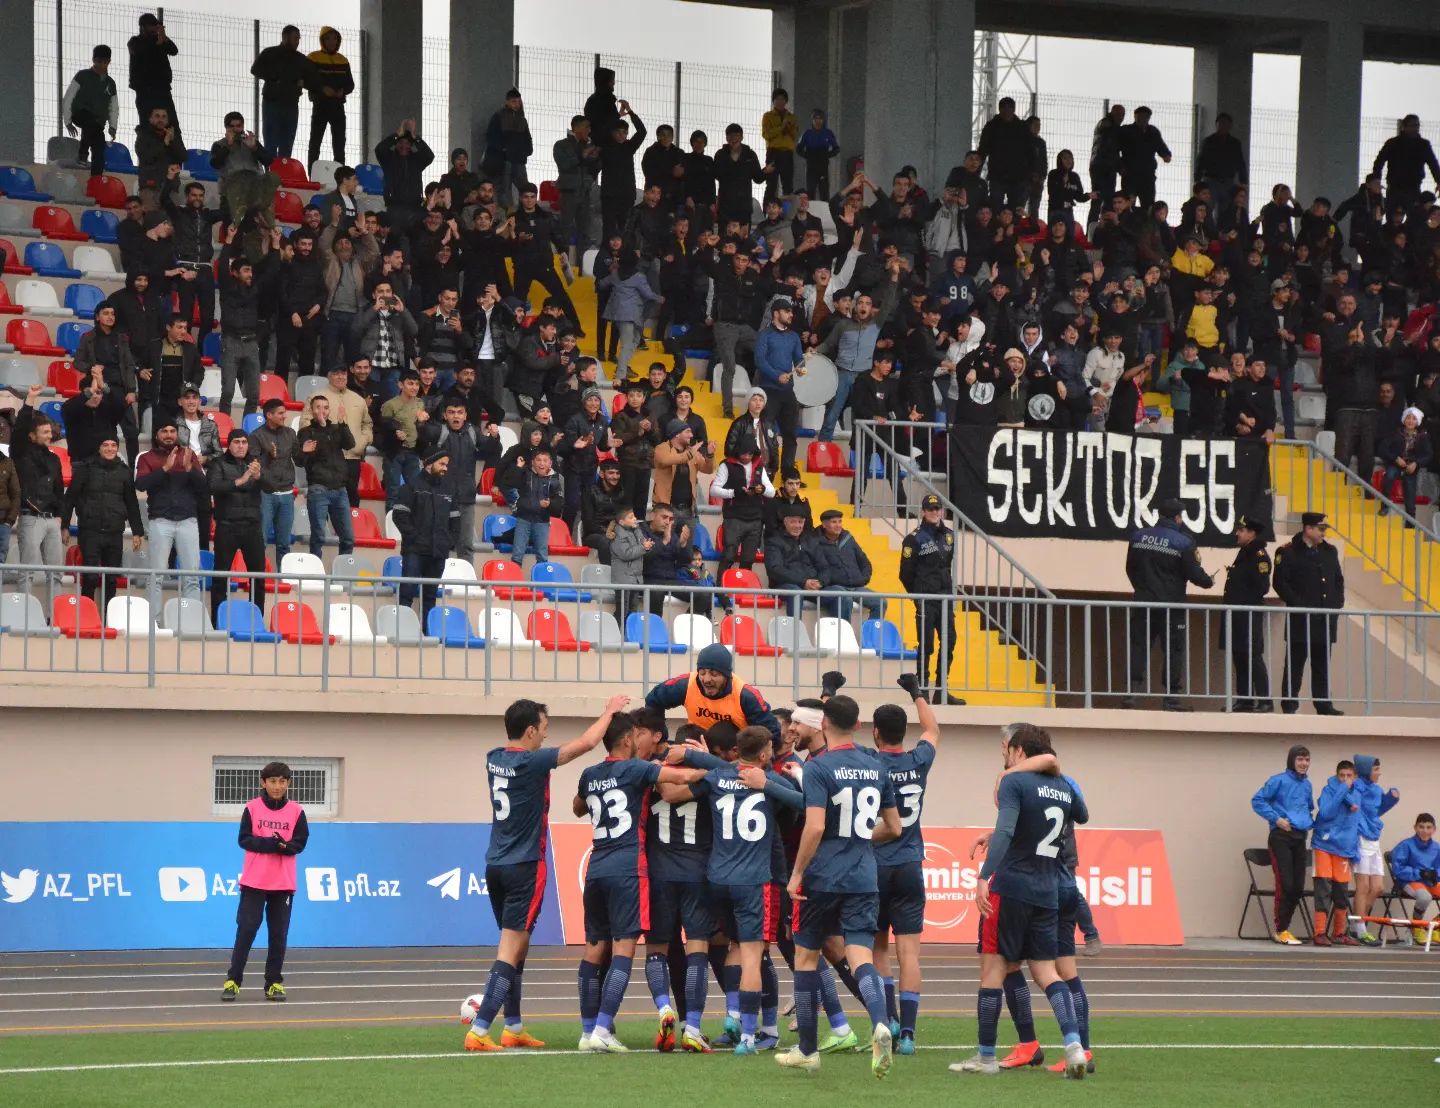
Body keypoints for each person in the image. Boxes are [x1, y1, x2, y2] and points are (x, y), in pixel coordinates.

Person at [462, 695, 632, 1051]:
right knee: (510, 949)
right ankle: (479, 1029)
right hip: (525, 866)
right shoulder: (532, 761)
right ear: (529, 731)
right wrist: (609, 712)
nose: (545, 735)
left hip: (495, 863)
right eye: (543, 729)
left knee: (517, 947)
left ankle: (513, 1026)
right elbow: (586, 744)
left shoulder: (493, 757)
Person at [952, 723, 1089, 1079]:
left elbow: (1008, 830)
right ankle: (1074, 1047)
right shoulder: (1062, 785)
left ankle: (985, 1057)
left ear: (1019, 751)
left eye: (1007, 749)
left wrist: (983, 876)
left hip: (1012, 887)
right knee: (1047, 973)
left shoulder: (1013, 781)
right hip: (1047, 890)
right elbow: (1082, 814)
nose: (1004, 755)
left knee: (993, 970)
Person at [657, 724, 802, 1054]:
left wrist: (686, 759)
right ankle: (749, 1036)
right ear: (764, 755)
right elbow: (807, 804)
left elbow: (674, 794)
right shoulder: (768, 781)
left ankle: (731, 1018)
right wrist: (770, 784)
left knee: (732, 947)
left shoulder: (717, 777)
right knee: (753, 955)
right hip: (754, 881)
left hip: (717, 879)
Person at [777, 694, 900, 1077]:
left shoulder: (819, 767)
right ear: (859, 726)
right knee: (861, 956)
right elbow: (895, 827)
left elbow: (814, 827)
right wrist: (859, 838)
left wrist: (797, 873)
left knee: (806, 957)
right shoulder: (876, 765)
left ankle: (808, 1050)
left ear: (824, 723)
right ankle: (881, 1022)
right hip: (863, 874)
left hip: (823, 876)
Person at [573, 712, 705, 1053]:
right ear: (628, 740)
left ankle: (587, 1031)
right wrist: (712, 768)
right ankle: (603, 1028)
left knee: (593, 950)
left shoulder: (589, 774)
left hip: (596, 867)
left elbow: (577, 808)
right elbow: (681, 777)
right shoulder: (637, 769)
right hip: (628, 868)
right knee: (624, 951)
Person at [869, 674, 939, 1055]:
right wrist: (917, 693)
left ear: (876, 733)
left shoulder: (870, 764)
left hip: (876, 865)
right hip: (911, 864)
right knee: (909, 953)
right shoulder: (918, 760)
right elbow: (933, 729)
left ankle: (891, 1020)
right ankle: (909, 1034)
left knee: (878, 949)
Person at [220, 762, 308, 1003]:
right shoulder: (252, 808)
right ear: (263, 782)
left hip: (283, 884)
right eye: (273, 781)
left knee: (278, 935)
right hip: (254, 882)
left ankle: (274, 983)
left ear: (288, 783)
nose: (277, 786)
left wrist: (285, 846)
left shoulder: (297, 811)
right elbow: (244, 840)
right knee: (246, 930)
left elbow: (300, 843)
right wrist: (270, 843)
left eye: (282, 781)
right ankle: (233, 981)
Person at [1121, 497, 1215, 711]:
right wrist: (1209, 581)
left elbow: (1130, 568)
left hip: (1143, 603)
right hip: (1172, 608)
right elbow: (1194, 573)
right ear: (1178, 518)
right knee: (1173, 650)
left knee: (1138, 646)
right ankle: (1171, 698)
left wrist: (1142, 589)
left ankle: (1131, 693)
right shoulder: (1183, 542)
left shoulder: (1138, 536)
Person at [1272, 512, 1345, 716]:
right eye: (1320, 529)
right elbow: (1280, 583)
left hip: (1324, 619)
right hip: (1301, 620)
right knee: (1295, 664)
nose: (1323, 533)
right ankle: (1289, 704)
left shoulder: (1329, 551)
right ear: (1308, 528)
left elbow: (1337, 580)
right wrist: (1298, 604)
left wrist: (1336, 603)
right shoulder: (1288, 551)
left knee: (1322, 665)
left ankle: (1323, 704)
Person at [62, 433, 144, 610]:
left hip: (115, 532)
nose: (109, 449)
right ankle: (86, 616)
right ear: (99, 448)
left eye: (113, 445)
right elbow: (70, 498)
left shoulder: (125, 472)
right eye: (105, 445)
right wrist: (65, 526)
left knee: (111, 579)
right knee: (90, 577)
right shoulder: (85, 469)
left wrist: (137, 532)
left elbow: (132, 503)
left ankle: (108, 619)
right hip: (90, 531)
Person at [899, 494, 965, 706]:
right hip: (926, 599)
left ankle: (941, 690)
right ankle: (923, 689)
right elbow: (905, 574)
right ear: (923, 512)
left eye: (937, 509)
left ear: (942, 511)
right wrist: (918, 595)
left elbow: (946, 566)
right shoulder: (914, 538)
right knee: (926, 644)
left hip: (945, 598)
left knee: (949, 641)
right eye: (930, 509)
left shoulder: (949, 535)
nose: (934, 512)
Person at [133, 420, 208, 606]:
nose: (169, 435)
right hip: (160, 521)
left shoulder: (189, 455)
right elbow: (140, 484)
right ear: (156, 435)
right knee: (155, 576)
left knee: (192, 577)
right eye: (164, 431)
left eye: (172, 431)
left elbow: (204, 487)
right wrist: (165, 469)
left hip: (188, 520)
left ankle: (191, 620)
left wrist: (189, 469)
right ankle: (153, 621)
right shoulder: (147, 457)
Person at [644, 642, 781, 741]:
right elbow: (653, 700)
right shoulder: (686, 684)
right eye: (702, 672)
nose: (707, 679)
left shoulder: (746, 696)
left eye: (714, 674)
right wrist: (661, 737)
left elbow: (772, 733)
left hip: (733, 753)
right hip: (696, 745)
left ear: (727, 675)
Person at [1251, 744, 1315, 946]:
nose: (1303, 763)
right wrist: (1277, 819)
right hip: (1281, 837)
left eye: (1307, 759)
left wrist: (1307, 822)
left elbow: (1308, 808)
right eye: (1300, 759)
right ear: (1292, 760)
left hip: (1299, 837)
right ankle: (1280, 930)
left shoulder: (1307, 785)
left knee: (1298, 886)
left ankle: (1284, 929)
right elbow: (1258, 800)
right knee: (1285, 884)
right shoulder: (1278, 780)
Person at [391, 450, 457, 621]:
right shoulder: (411, 486)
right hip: (415, 551)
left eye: (446, 465)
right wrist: (414, 537)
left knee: (430, 596)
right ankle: (402, 629)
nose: (445, 468)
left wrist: (449, 541)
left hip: (438, 552)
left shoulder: (448, 489)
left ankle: (427, 631)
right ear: (429, 464)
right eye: (442, 464)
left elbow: (455, 519)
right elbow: (399, 515)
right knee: (407, 593)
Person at [208, 429, 266, 621]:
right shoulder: (218, 463)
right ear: (229, 444)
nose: (241, 446)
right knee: (220, 577)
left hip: (252, 527)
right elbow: (212, 486)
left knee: (258, 578)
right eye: (236, 442)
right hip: (227, 526)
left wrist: (259, 477)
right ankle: (218, 622)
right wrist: (240, 481)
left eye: (244, 442)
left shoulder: (256, 464)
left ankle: (257, 621)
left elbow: (273, 486)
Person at [1222, 514, 1273, 713]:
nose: (1237, 533)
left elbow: (1262, 586)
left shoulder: (1258, 555)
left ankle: (1265, 699)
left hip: (1248, 614)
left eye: (1241, 530)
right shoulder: (1245, 552)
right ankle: (1245, 699)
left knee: (1253, 656)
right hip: (1237, 615)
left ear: (1251, 533)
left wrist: (1242, 601)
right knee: (1240, 656)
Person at [295, 394, 355, 557]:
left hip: (340, 489)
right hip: (318, 488)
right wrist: (321, 428)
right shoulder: (306, 432)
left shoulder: (336, 428)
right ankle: (316, 569)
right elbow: (299, 460)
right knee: (318, 536)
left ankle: (343, 568)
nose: (322, 411)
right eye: (318, 407)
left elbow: (350, 444)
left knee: (348, 538)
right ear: (311, 410)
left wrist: (343, 424)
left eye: (326, 407)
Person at [1311, 760, 1362, 947]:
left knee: (1341, 891)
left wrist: (1354, 851)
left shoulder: (1357, 795)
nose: (1345, 779)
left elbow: (1356, 823)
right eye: (1342, 775)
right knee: (1323, 888)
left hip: (1344, 849)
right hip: (1324, 845)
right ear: (1336, 775)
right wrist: (1342, 790)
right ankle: (1319, 933)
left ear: (1355, 777)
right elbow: (1326, 813)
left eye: (1349, 776)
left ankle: (1339, 933)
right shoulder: (1328, 790)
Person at [754, 297, 804, 476]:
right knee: (767, 433)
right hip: (768, 391)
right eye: (787, 311)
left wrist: (801, 367)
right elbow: (760, 361)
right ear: (776, 313)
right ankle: (768, 472)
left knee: (790, 434)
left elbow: (799, 359)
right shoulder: (764, 335)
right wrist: (777, 375)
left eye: (791, 312)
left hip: (787, 391)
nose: (791, 315)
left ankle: (788, 475)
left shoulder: (794, 336)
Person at [710, 441, 774, 580]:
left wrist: (761, 489)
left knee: (748, 560)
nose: (746, 457)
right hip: (734, 518)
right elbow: (714, 490)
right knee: (728, 556)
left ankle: (743, 587)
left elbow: (771, 492)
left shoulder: (759, 466)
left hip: (755, 519)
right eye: (743, 454)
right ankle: (721, 587)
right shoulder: (726, 465)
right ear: (737, 452)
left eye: (750, 454)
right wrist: (734, 493)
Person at [248, 399, 298, 567]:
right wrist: (269, 456)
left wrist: (307, 452)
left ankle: (282, 578)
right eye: (280, 413)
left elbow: (299, 459)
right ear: (269, 415)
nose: (285, 416)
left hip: (287, 494)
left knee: (284, 543)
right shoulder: (256, 436)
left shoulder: (290, 433)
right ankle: (258, 577)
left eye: (284, 412)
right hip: (265, 494)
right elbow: (253, 465)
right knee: (260, 542)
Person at [250, 25, 308, 159]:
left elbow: (310, 77)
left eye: (298, 39)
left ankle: (284, 170)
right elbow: (255, 69)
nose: (297, 42)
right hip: (272, 102)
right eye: (295, 38)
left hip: (291, 104)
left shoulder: (301, 59)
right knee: (270, 142)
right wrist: (275, 77)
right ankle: (271, 170)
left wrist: (302, 82)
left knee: (287, 143)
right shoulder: (270, 53)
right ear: (285, 37)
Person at [211, 112, 277, 227]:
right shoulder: (219, 145)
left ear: (242, 126)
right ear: (226, 127)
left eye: (239, 126)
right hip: (231, 195)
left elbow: (268, 160)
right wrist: (228, 145)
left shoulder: (251, 142)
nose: (236, 129)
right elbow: (215, 163)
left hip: (253, 194)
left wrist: (254, 148)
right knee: (232, 230)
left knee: (252, 230)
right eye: (232, 126)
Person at [502, 446, 562, 573]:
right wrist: (518, 468)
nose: (541, 463)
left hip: (542, 522)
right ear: (533, 462)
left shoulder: (555, 481)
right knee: (517, 555)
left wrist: (550, 504)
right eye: (538, 460)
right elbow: (509, 483)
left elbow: (559, 506)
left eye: (545, 460)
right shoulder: (525, 474)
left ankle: (541, 582)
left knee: (542, 556)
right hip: (523, 520)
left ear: (550, 463)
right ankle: (514, 581)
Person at [62, 45, 118, 180]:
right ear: (93, 60)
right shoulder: (82, 76)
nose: (101, 65)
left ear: (109, 62)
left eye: (104, 62)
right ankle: (82, 154)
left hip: (98, 123)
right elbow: (68, 98)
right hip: (80, 113)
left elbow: (114, 107)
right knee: (89, 121)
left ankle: (96, 180)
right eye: (98, 61)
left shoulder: (110, 84)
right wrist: (68, 121)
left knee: (99, 147)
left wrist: (113, 126)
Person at [1371, 114, 1440, 215]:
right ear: (1404, 127)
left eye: (1417, 125)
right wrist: (1376, 179)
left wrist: (1438, 180)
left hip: (1413, 187)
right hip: (1395, 186)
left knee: (1413, 218)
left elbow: (1433, 163)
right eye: (1412, 125)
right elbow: (1379, 161)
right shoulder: (1393, 143)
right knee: (1392, 217)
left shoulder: (1423, 145)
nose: (1415, 128)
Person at [1389, 814, 1440, 946]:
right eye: (1421, 827)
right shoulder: (1405, 845)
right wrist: (1420, 873)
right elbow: (1398, 869)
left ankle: (1435, 927)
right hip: (1410, 882)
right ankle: (1416, 927)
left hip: (1430, 883)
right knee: (1424, 897)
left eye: (1428, 827)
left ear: (1434, 829)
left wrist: (1436, 874)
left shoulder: (1437, 847)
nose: (1425, 831)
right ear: (1415, 828)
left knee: (1427, 894)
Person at [306, 27, 353, 165]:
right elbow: (307, 80)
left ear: (338, 41)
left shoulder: (343, 60)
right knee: (315, 142)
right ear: (322, 41)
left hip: (338, 107)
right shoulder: (313, 58)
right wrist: (322, 89)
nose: (332, 41)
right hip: (320, 106)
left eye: (334, 38)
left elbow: (350, 84)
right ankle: (312, 174)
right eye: (328, 38)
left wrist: (343, 91)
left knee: (339, 144)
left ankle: (341, 174)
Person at [127, 13, 179, 135]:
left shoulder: (159, 39)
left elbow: (174, 50)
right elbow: (142, 51)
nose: (154, 29)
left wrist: (163, 37)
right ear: (143, 27)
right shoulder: (135, 42)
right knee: (148, 124)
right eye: (151, 26)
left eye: (155, 26)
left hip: (162, 89)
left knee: (171, 124)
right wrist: (158, 43)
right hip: (145, 90)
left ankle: (172, 143)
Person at [1377, 407, 1432, 520]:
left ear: (1418, 422)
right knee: (1389, 476)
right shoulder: (1396, 433)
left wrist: (1416, 463)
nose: (1410, 421)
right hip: (1395, 465)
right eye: (1408, 418)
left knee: (1410, 495)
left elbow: (1428, 454)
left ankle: (1410, 522)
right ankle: (1384, 505)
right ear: (1404, 419)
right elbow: (1382, 448)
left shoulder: (1423, 436)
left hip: (1410, 468)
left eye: (1414, 419)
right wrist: (1396, 458)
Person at [485, 89, 533, 209]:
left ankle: (521, 212)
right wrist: (503, 150)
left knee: (523, 188)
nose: (517, 104)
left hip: (518, 160)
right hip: (505, 160)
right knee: (504, 189)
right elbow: (491, 137)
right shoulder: (499, 117)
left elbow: (527, 138)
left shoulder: (521, 119)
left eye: (518, 101)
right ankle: (506, 213)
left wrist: (527, 151)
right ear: (507, 102)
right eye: (513, 101)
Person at [761, 88, 799, 202]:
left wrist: (789, 128)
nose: (780, 102)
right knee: (771, 185)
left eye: (782, 99)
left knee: (788, 186)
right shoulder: (768, 116)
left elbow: (795, 135)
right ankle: (767, 210)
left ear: (786, 101)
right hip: (773, 152)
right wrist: (781, 127)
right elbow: (766, 134)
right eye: (777, 99)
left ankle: (787, 211)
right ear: (773, 101)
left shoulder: (792, 117)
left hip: (787, 153)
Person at [797, 110, 840, 201]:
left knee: (824, 193)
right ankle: (810, 209)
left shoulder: (828, 133)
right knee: (810, 192)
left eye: (820, 118)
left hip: (823, 167)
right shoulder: (807, 133)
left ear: (823, 120)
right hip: (811, 167)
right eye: (815, 118)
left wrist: (827, 155)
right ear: (812, 120)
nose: (818, 121)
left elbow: (836, 149)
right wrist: (807, 155)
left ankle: (825, 210)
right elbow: (798, 149)